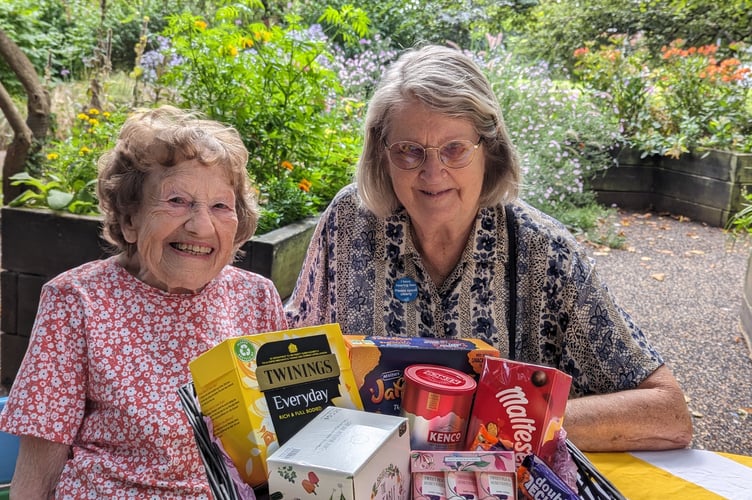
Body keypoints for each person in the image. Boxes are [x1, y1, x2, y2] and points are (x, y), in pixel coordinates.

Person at [285, 45, 693, 452]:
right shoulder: (350, 221)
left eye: (454, 149)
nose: (432, 172)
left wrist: (504, 422)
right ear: (382, 152)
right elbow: (294, 353)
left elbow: (667, 413)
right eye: (409, 150)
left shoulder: (543, 252)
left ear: (490, 149)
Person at [0, 105, 287, 497]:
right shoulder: (76, 300)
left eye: (221, 206)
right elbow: (37, 474)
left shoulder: (255, 297)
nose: (201, 226)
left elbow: (282, 446)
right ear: (130, 220)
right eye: (177, 201)